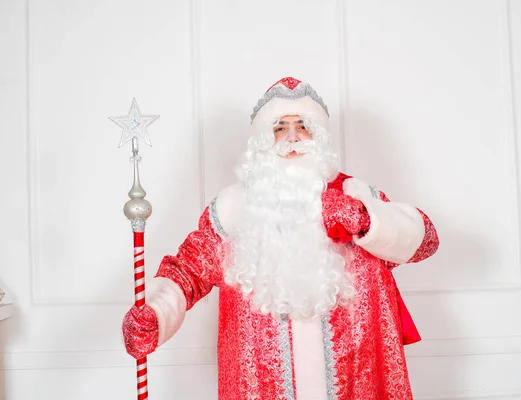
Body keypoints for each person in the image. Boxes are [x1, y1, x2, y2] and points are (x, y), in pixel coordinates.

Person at [122, 76, 439, 400]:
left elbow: (425, 240)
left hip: (356, 382)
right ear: (263, 140)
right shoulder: (234, 210)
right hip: (260, 385)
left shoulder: (355, 195)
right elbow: (186, 271)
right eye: (279, 127)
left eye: (303, 125)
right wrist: (155, 314)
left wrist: (361, 217)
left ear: (319, 136)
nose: (291, 137)